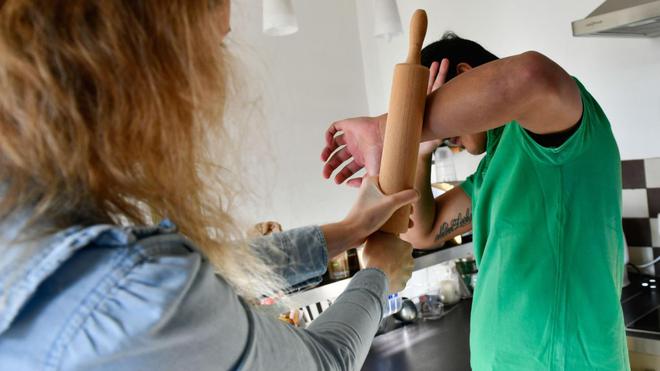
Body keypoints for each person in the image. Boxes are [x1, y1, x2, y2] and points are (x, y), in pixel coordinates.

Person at [0, 1, 419, 370]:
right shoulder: (130, 302)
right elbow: (324, 361)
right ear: (134, 62)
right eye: (215, 49)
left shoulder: (28, 221)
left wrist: (350, 231)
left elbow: (222, 267)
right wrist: (377, 274)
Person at [321, 32, 628, 370]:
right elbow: (424, 231)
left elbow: (530, 76)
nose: (433, 126)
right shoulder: (494, 165)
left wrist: (390, 129)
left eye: (427, 110)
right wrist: (420, 153)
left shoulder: (554, 129)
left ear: (465, 75)